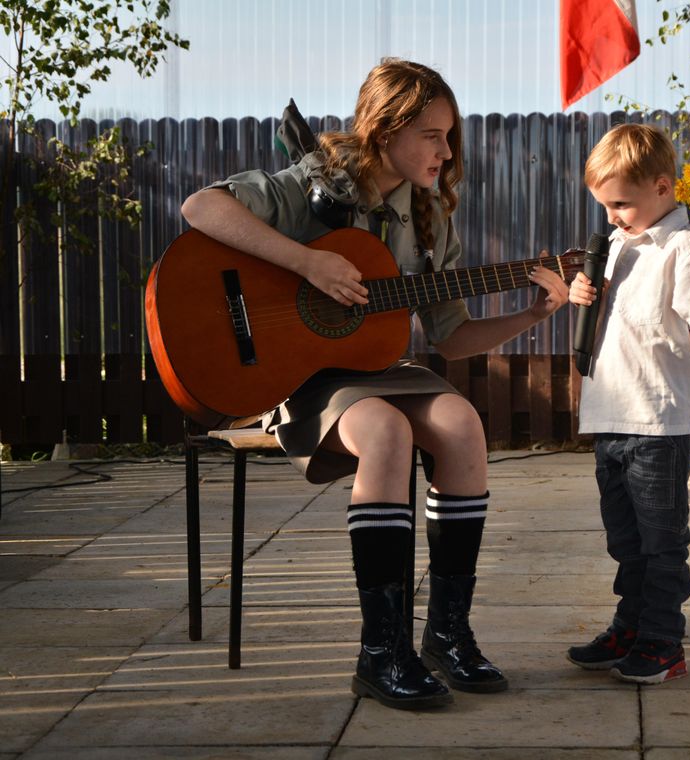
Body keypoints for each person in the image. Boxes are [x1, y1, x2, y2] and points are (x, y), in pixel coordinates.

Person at [181, 59, 569, 709]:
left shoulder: (427, 216)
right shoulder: (317, 182)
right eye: (432, 135)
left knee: (461, 424)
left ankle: (445, 634)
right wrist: (308, 262)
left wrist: (532, 313)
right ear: (384, 130)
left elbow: (452, 338)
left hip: (377, 366)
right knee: (386, 431)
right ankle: (380, 652)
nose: (447, 151)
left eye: (450, 136)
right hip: (301, 374)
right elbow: (201, 208)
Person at [565, 124, 690, 684]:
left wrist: (678, 335)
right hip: (610, 418)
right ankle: (629, 626)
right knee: (625, 539)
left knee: (662, 543)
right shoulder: (615, 246)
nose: (612, 215)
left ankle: (664, 641)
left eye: (621, 204)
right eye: (605, 204)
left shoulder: (684, 250)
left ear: (663, 187)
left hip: (658, 422)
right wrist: (580, 294)